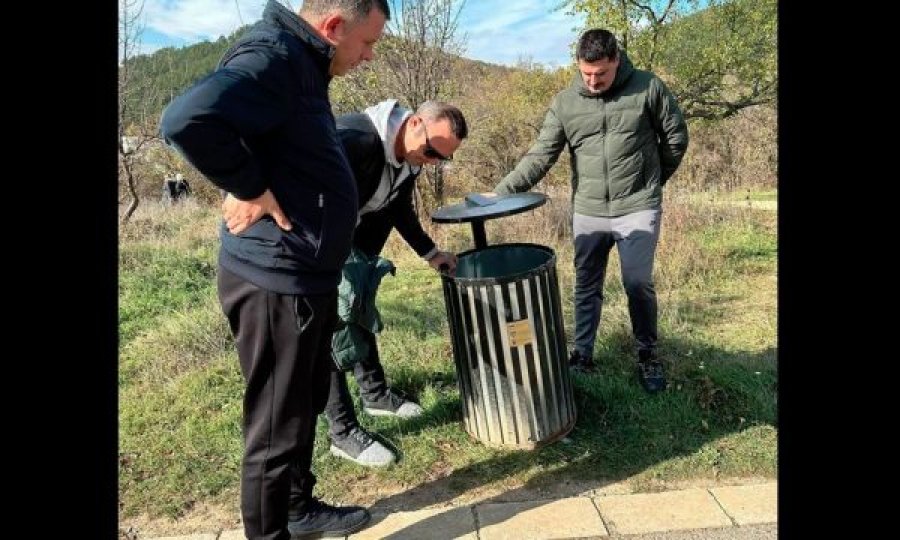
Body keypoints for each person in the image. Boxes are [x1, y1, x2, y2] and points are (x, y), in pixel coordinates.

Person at [159, 1, 390, 539]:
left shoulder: (303, 65)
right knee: (274, 426)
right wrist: (248, 186)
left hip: (304, 277)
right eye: (367, 43)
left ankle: (297, 508)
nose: (369, 56)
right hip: (273, 281)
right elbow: (186, 119)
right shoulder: (274, 57)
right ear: (333, 28)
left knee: (304, 404)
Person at [490, 28, 689, 394]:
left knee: (637, 283)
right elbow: (540, 155)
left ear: (616, 59)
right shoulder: (566, 103)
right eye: (586, 74)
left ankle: (648, 355)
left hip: (637, 206)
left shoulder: (648, 88)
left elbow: (675, 138)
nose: (594, 81)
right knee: (586, 284)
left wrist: (651, 182)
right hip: (589, 209)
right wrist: (501, 193)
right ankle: (582, 355)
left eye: (601, 73)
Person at [325, 99, 467, 467]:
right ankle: (341, 431)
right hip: (316, 250)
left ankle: (375, 395)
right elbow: (305, 188)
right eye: (433, 151)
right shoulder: (354, 138)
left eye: (443, 159)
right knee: (327, 331)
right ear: (416, 123)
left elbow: (397, 207)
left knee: (360, 312)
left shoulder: (411, 157)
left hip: (356, 249)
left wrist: (430, 252)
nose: (434, 161)